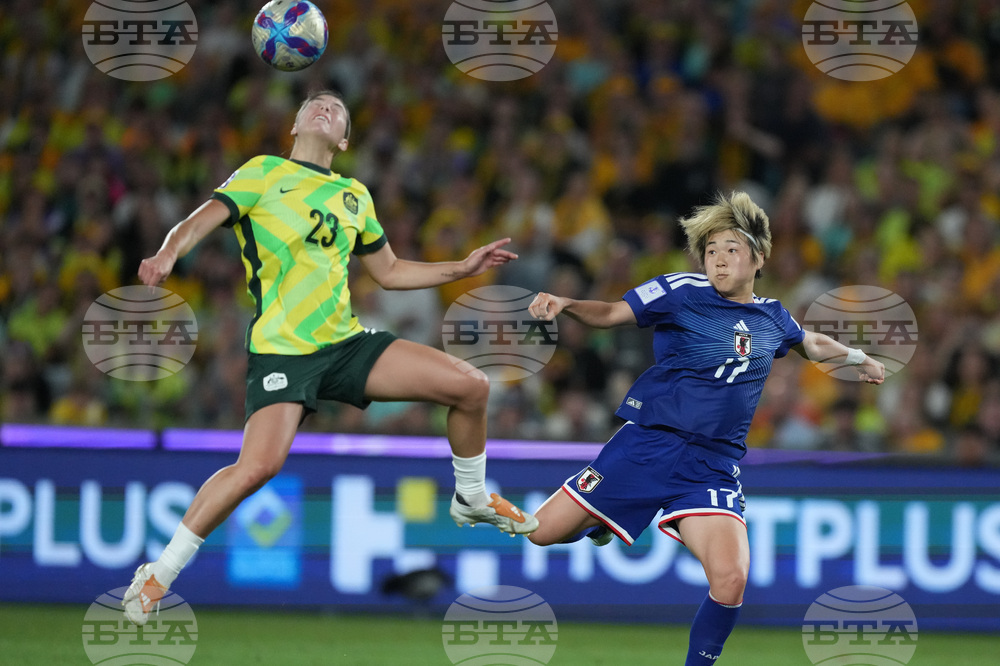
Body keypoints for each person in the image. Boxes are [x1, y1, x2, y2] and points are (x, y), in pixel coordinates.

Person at [122, 90, 538, 625]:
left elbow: (388, 273)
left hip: (345, 344)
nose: (324, 108)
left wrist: (461, 267)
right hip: (283, 351)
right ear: (295, 124)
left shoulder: (354, 195)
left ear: (344, 139)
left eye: (337, 109)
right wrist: (166, 253)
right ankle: (159, 574)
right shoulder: (263, 172)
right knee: (258, 467)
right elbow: (196, 223)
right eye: (314, 104)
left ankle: (473, 497)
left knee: (471, 385)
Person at [526, 192, 885, 665]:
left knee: (731, 579)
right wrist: (566, 303)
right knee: (541, 533)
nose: (717, 260)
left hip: (711, 466)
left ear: (758, 258)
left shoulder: (773, 316)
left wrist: (858, 358)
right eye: (711, 250)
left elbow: (810, 342)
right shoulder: (681, 292)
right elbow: (613, 313)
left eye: (730, 250)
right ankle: (599, 525)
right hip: (649, 444)